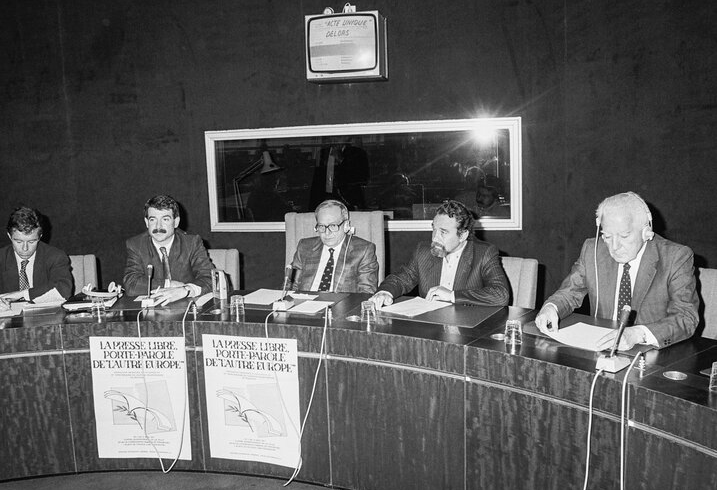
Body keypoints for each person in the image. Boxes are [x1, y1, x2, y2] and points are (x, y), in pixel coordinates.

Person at [535, 192, 699, 350]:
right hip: (600, 349)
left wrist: (638, 334)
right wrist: (551, 307)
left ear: (646, 232)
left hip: (652, 353)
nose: (614, 247)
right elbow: (570, 292)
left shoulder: (676, 257)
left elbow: (686, 317)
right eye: (607, 236)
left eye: (624, 236)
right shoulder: (593, 250)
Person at [370, 200, 509, 307]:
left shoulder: (484, 253)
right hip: (432, 329)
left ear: (463, 235)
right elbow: (401, 278)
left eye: (443, 232)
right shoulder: (423, 251)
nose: (435, 238)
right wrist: (384, 292)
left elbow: (500, 295)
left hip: (467, 330)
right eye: (434, 229)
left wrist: (452, 296)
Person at [0, 206, 73, 310]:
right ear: (9, 236)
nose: (25, 248)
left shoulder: (55, 256)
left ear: (40, 236)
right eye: (18, 241)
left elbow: (63, 290)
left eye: (31, 241)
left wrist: (21, 294)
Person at [123, 195, 214, 304]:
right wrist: (168, 284)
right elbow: (131, 284)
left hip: (186, 308)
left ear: (176, 222)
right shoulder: (136, 245)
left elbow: (210, 279)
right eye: (153, 220)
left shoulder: (192, 243)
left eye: (165, 219)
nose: (158, 226)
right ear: (147, 222)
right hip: (151, 312)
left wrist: (185, 290)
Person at [290, 199, 378, 293]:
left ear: (346, 225)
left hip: (343, 305)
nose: (327, 233)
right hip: (304, 304)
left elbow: (366, 292)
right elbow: (290, 285)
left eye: (333, 226)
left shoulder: (364, 250)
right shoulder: (305, 246)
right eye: (321, 226)